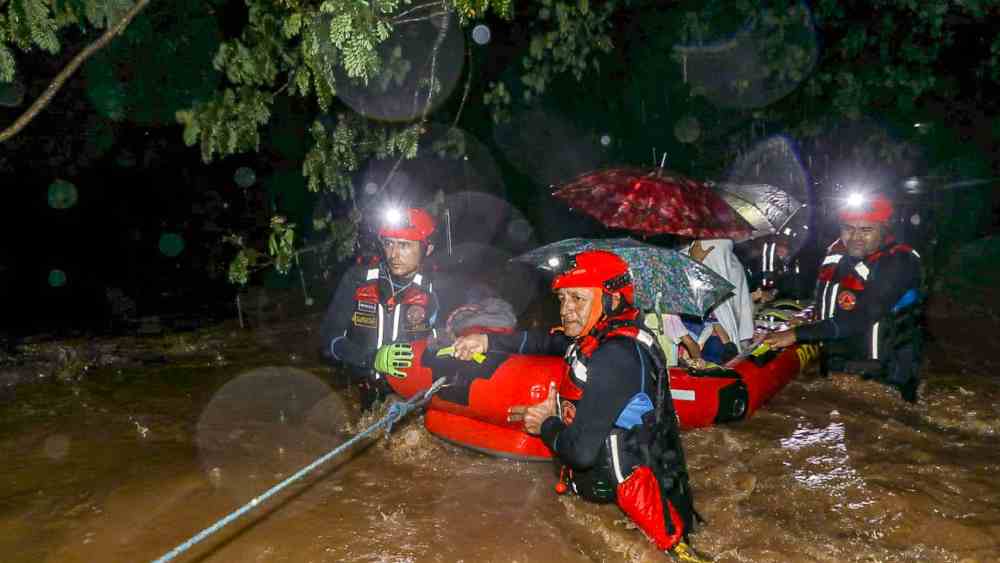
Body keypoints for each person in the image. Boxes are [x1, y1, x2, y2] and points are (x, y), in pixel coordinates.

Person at [453, 250, 699, 555]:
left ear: (612, 301)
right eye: (562, 298)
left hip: (649, 516)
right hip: (612, 501)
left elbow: (581, 453)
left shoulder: (617, 356)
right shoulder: (594, 338)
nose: (565, 309)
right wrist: (487, 340)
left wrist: (546, 424)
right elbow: (546, 341)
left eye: (577, 299)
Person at [761, 193, 923, 402]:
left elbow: (861, 317)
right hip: (838, 365)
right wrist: (806, 318)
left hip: (884, 374)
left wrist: (796, 334)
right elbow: (828, 302)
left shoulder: (899, 262)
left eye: (866, 230)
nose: (855, 237)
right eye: (848, 228)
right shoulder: (837, 255)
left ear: (884, 229)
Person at [319, 206, 449, 409]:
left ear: (428, 249)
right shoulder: (358, 279)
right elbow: (328, 341)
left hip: (416, 396)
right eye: (389, 243)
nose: (394, 254)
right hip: (365, 392)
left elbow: (448, 339)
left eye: (404, 245)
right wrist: (372, 358)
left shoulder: (436, 289)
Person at [684, 239, 755, 361]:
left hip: (719, 343)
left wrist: (693, 263)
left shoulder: (730, 263)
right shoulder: (730, 262)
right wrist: (694, 263)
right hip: (703, 342)